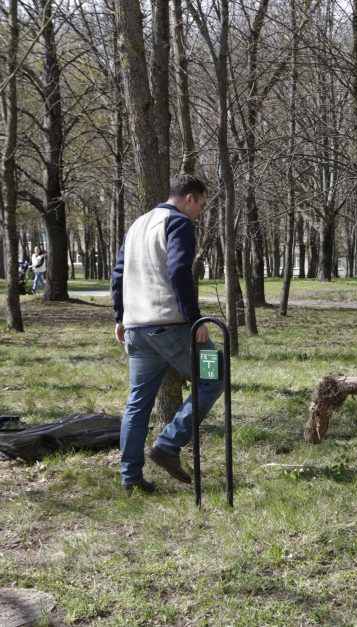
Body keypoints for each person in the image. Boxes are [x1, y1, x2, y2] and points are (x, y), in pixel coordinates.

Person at [111, 174, 224, 495]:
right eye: (201, 205)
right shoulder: (179, 224)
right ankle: (168, 444)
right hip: (171, 327)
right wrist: (195, 320)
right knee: (214, 376)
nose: (200, 212)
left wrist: (120, 317)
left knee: (137, 404)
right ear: (189, 198)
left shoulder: (137, 225)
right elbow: (178, 271)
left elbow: (118, 273)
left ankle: (130, 477)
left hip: (136, 330)